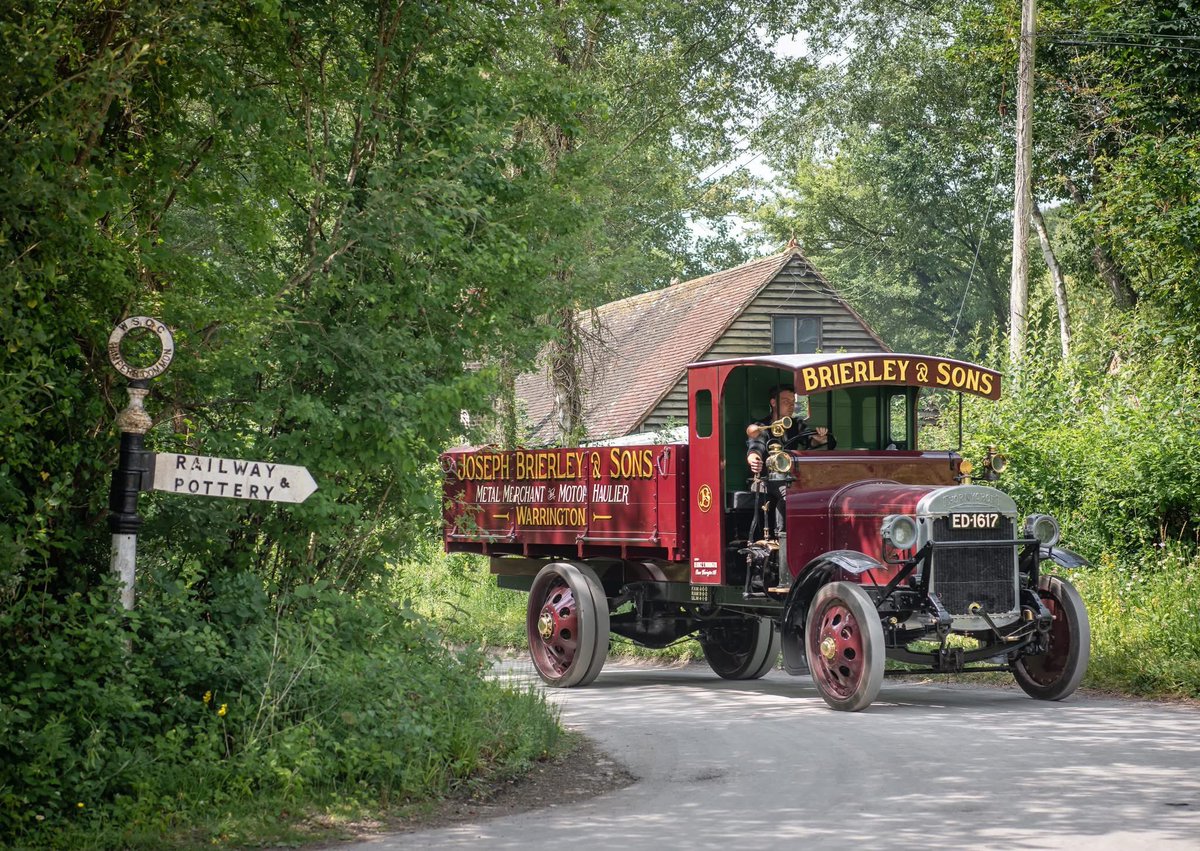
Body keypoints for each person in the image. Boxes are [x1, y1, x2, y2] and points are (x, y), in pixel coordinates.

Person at [745, 384, 835, 540]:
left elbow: (809, 441)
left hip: (791, 478)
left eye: (793, 402)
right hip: (767, 479)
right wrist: (755, 461)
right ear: (773, 403)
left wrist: (819, 439)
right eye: (786, 401)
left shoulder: (796, 424)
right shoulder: (761, 427)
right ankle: (784, 538)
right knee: (790, 495)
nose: (791, 406)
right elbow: (755, 449)